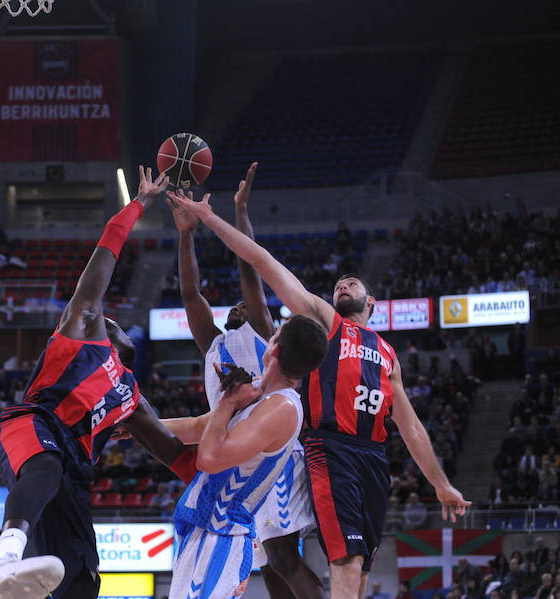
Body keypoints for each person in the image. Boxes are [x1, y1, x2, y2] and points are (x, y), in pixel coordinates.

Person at [169, 189, 471, 599]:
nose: (344, 283)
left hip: (374, 457)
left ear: (373, 301)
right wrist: (211, 219)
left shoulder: (387, 354)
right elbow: (262, 263)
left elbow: (412, 426)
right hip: (327, 449)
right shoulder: (327, 322)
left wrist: (440, 482)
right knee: (340, 562)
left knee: (358, 567)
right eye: (339, 284)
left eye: (353, 281)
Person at [0, 167, 194, 599]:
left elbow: (172, 452)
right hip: (30, 425)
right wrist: (141, 203)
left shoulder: (131, 396)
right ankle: (0, 565)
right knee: (45, 465)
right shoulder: (83, 326)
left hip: (74, 471)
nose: (115, 319)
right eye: (113, 319)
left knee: (83, 579)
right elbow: (107, 250)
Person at [167, 165, 323, 599]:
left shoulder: (262, 331)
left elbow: (250, 266)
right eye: (233, 306)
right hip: (235, 450)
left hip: (265, 453)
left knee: (282, 557)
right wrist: (185, 234)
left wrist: (239, 212)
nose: (239, 305)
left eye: (245, 305)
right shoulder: (214, 344)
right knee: (268, 564)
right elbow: (190, 294)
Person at [161, 315, 328, 599]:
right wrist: (136, 425)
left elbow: (209, 458)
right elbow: (200, 427)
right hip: (206, 525)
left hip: (223, 532)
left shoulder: (281, 408)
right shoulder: (261, 392)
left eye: (274, 335)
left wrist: (228, 401)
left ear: (273, 349)